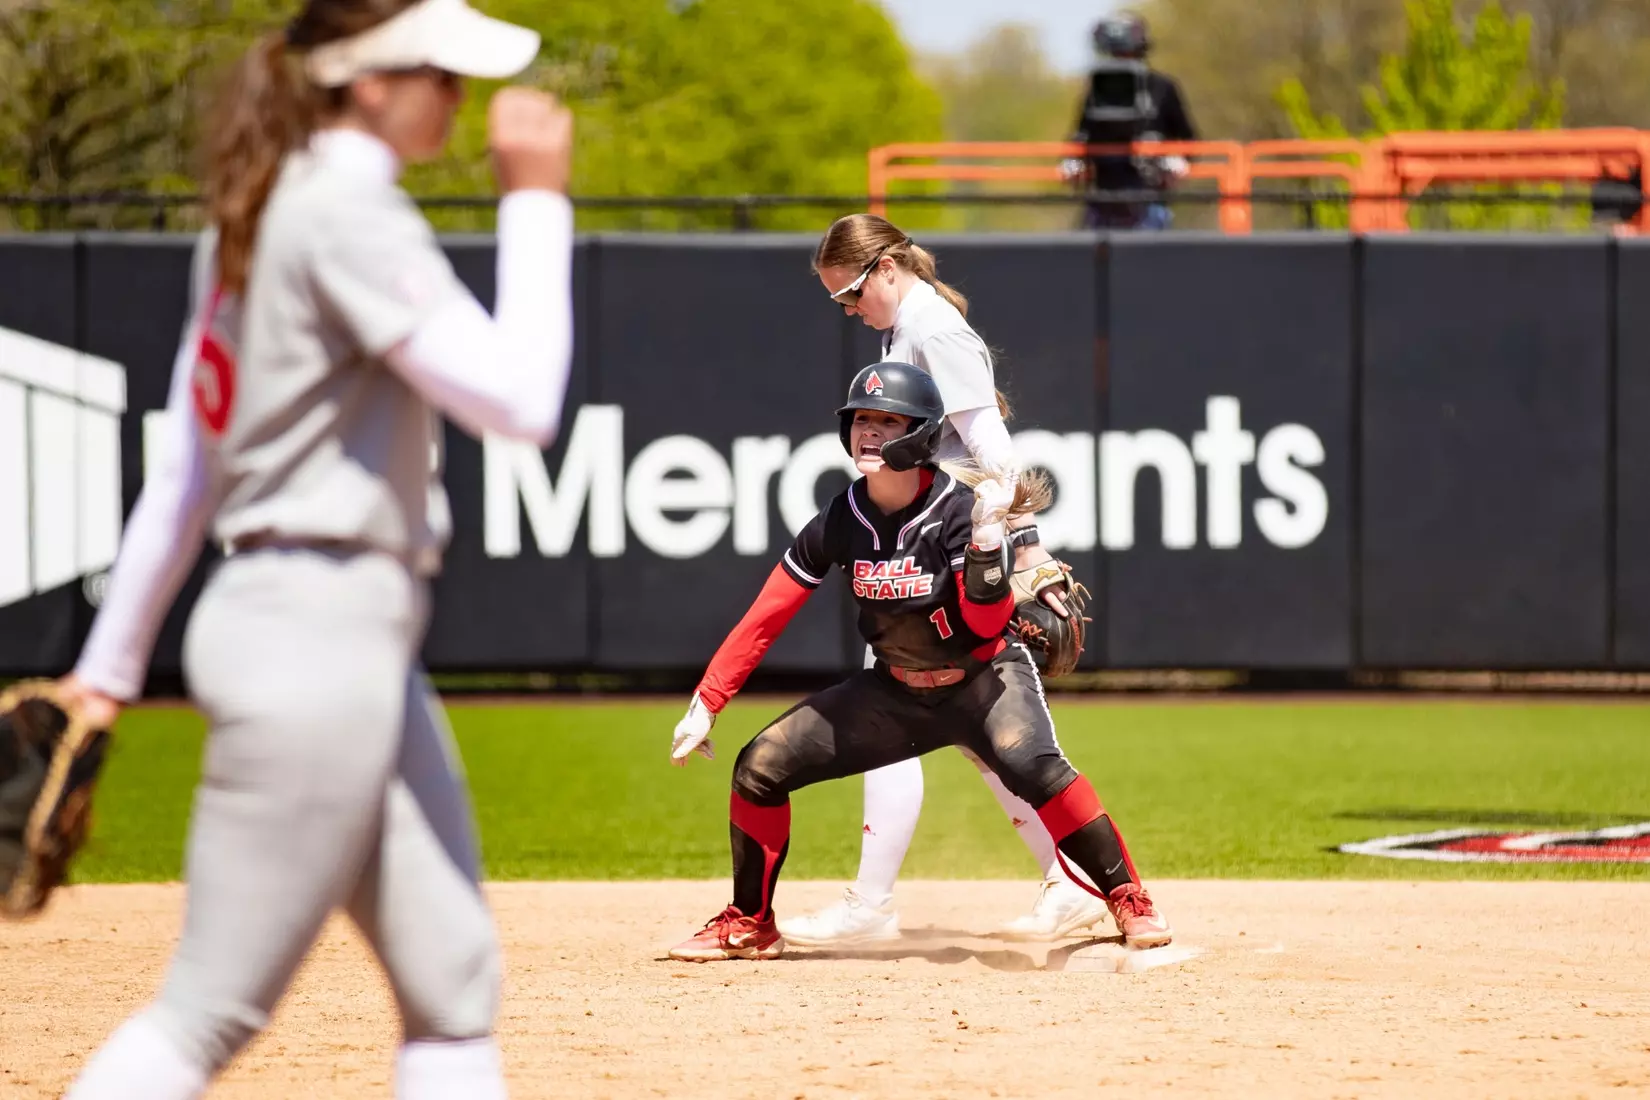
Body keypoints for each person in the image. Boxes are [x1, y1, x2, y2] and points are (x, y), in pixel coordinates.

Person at [53, 2, 576, 1097]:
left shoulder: (257, 209)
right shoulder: (344, 211)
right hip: (317, 637)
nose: (462, 96)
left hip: (332, 638)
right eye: (441, 72)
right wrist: (534, 198)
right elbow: (522, 401)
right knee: (211, 1009)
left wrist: (104, 673)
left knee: (452, 985)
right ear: (373, 80)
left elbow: (187, 473)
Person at [664, 362, 1171, 962]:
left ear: (923, 434)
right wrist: (708, 700)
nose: (870, 432)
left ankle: (1127, 897)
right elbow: (768, 612)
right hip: (896, 693)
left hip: (984, 681)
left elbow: (983, 623)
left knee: (1034, 768)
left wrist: (986, 545)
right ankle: (750, 922)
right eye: (862, 420)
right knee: (759, 767)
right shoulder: (840, 518)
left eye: (889, 420)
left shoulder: (959, 509)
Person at [780, 213, 1112, 948]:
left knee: (896, 710)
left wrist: (1023, 547)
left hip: (953, 545)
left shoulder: (932, 330)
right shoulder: (907, 329)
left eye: (852, 293)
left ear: (887, 270)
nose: (848, 309)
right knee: (977, 731)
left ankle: (873, 905)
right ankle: (1068, 881)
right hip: (935, 539)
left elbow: (992, 446)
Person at [1065, 10, 1198, 230]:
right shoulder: (1097, 89)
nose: (1120, 60)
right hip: (1103, 197)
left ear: (1140, 51)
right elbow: (1080, 135)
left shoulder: (1161, 87)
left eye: (1125, 53)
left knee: (1148, 259)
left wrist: (1178, 159)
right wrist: (1073, 159)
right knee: (1091, 259)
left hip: (1149, 197)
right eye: (1113, 53)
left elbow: (1189, 138)